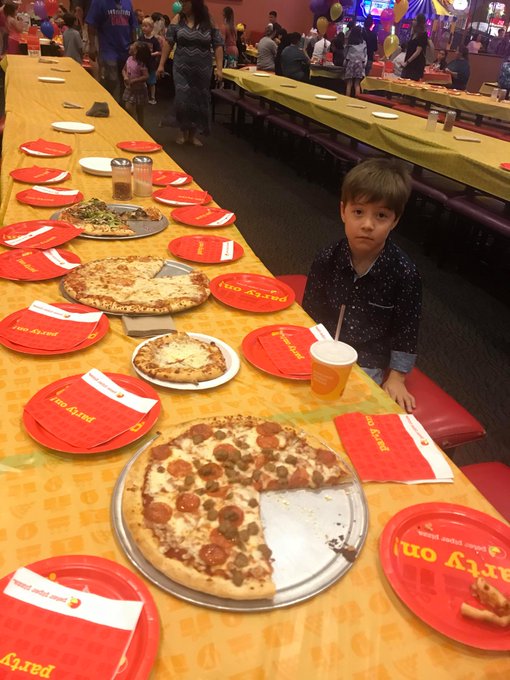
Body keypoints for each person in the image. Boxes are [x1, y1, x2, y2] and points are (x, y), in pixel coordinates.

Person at [303, 158, 421, 413]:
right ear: (343, 211)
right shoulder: (327, 257)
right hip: (324, 347)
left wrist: (397, 377)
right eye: (359, 212)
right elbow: (310, 310)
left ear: (395, 221)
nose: (368, 224)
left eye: (381, 215)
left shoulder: (405, 273)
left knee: (345, 410)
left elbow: (406, 330)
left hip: (368, 358)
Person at [156, 0, 223, 146]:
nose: (182, 5)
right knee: (182, 97)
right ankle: (181, 131)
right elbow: (168, 42)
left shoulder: (208, 20)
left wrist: (219, 68)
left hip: (203, 68)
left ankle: (192, 134)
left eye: (185, 2)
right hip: (181, 66)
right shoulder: (178, 19)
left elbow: (218, 44)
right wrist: (161, 64)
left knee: (198, 99)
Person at [86, 0, 137, 102]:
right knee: (111, 79)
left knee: (126, 81)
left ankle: (123, 108)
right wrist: (92, 45)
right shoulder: (99, 2)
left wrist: (135, 44)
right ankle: (105, 102)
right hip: (108, 48)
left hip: (126, 48)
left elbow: (133, 25)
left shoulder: (127, 3)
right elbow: (91, 25)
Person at [122, 40, 150, 125]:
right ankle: (134, 123)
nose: (130, 46)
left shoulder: (141, 64)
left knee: (139, 110)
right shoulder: (129, 59)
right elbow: (124, 70)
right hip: (130, 88)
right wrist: (125, 76)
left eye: (133, 46)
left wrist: (135, 80)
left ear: (136, 51)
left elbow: (146, 76)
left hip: (139, 89)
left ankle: (140, 126)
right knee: (128, 107)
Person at [140, 17, 161, 104]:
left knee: (151, 82)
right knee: (142, 80)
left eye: (146, 26)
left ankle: (152, 97)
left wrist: (151, 54)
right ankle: (143, 96)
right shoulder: (141, 38)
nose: (143, 28)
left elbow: (159, 52)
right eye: (143, 26)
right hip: (142, 64)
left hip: (151, 64)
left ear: (151, 28)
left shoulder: (154, 40)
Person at [401, 13, 428, 81]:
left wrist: (407, 62)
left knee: (410, 82)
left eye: (415, 20)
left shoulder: (423, 35)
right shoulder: (413, 33)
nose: (413, 21)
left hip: (416, 64)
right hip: (409, 62)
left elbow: (418, 51)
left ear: (419, 22)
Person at [343, 25, 366, 98]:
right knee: (357, 84)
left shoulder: (350, 42)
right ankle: (357, 100)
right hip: (359, 63)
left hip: (350, 62)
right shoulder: (363, 42)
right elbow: (365, 55)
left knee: (349, 83)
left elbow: (345, 53)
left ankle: (347, 99)